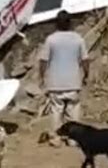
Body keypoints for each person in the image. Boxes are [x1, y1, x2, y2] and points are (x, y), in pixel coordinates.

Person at [38, 10, 90, 147]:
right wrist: (86, 74)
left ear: (57, 23)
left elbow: (44, 60)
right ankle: (74, 139)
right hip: (73, 81)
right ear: (70, 23)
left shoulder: (51, 39)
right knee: (73, 111)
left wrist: (42, 76)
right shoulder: (78, 39)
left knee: (56, 111)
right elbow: (85, 60)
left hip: (55, 82)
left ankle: (56, 139)